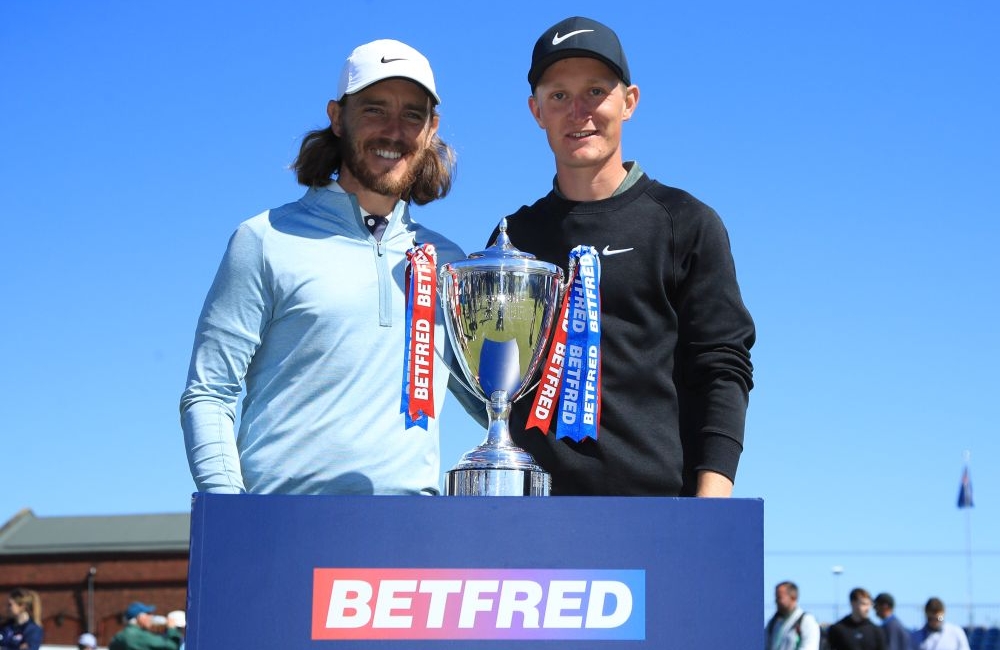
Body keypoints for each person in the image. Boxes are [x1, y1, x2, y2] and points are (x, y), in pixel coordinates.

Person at [180, 38, 473, 495]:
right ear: (337, 117)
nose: (394, 131)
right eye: (375, 109)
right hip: (283, 534)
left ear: (431, 128)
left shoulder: (451, 264)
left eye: (412, 115)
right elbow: (210, 392)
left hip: (409, 545)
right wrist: (231, 517)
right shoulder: (264, 239)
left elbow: (492, 399)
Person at [493, 16, 755, 496]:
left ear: (628, 102)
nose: (579, 112)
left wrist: (712, 506)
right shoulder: (514, 240)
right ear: (536, 111)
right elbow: (494, 382)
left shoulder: (685, 222)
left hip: (660, 514)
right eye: (558, 96)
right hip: (534, 519)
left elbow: (722, 365)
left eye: (596, 91)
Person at [765, 581, 821, 650]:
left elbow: (810, 647)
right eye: (776, 597)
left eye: (779, 598)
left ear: (793, 598)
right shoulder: (772, 623)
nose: (776, 601)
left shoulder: (807, 621)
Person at [109, 602, 182, 650]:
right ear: (139, 617)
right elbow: (171, 647)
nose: (151, 617)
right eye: (148, 614)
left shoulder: (121, 635)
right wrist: (172, 629)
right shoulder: (136, 635)